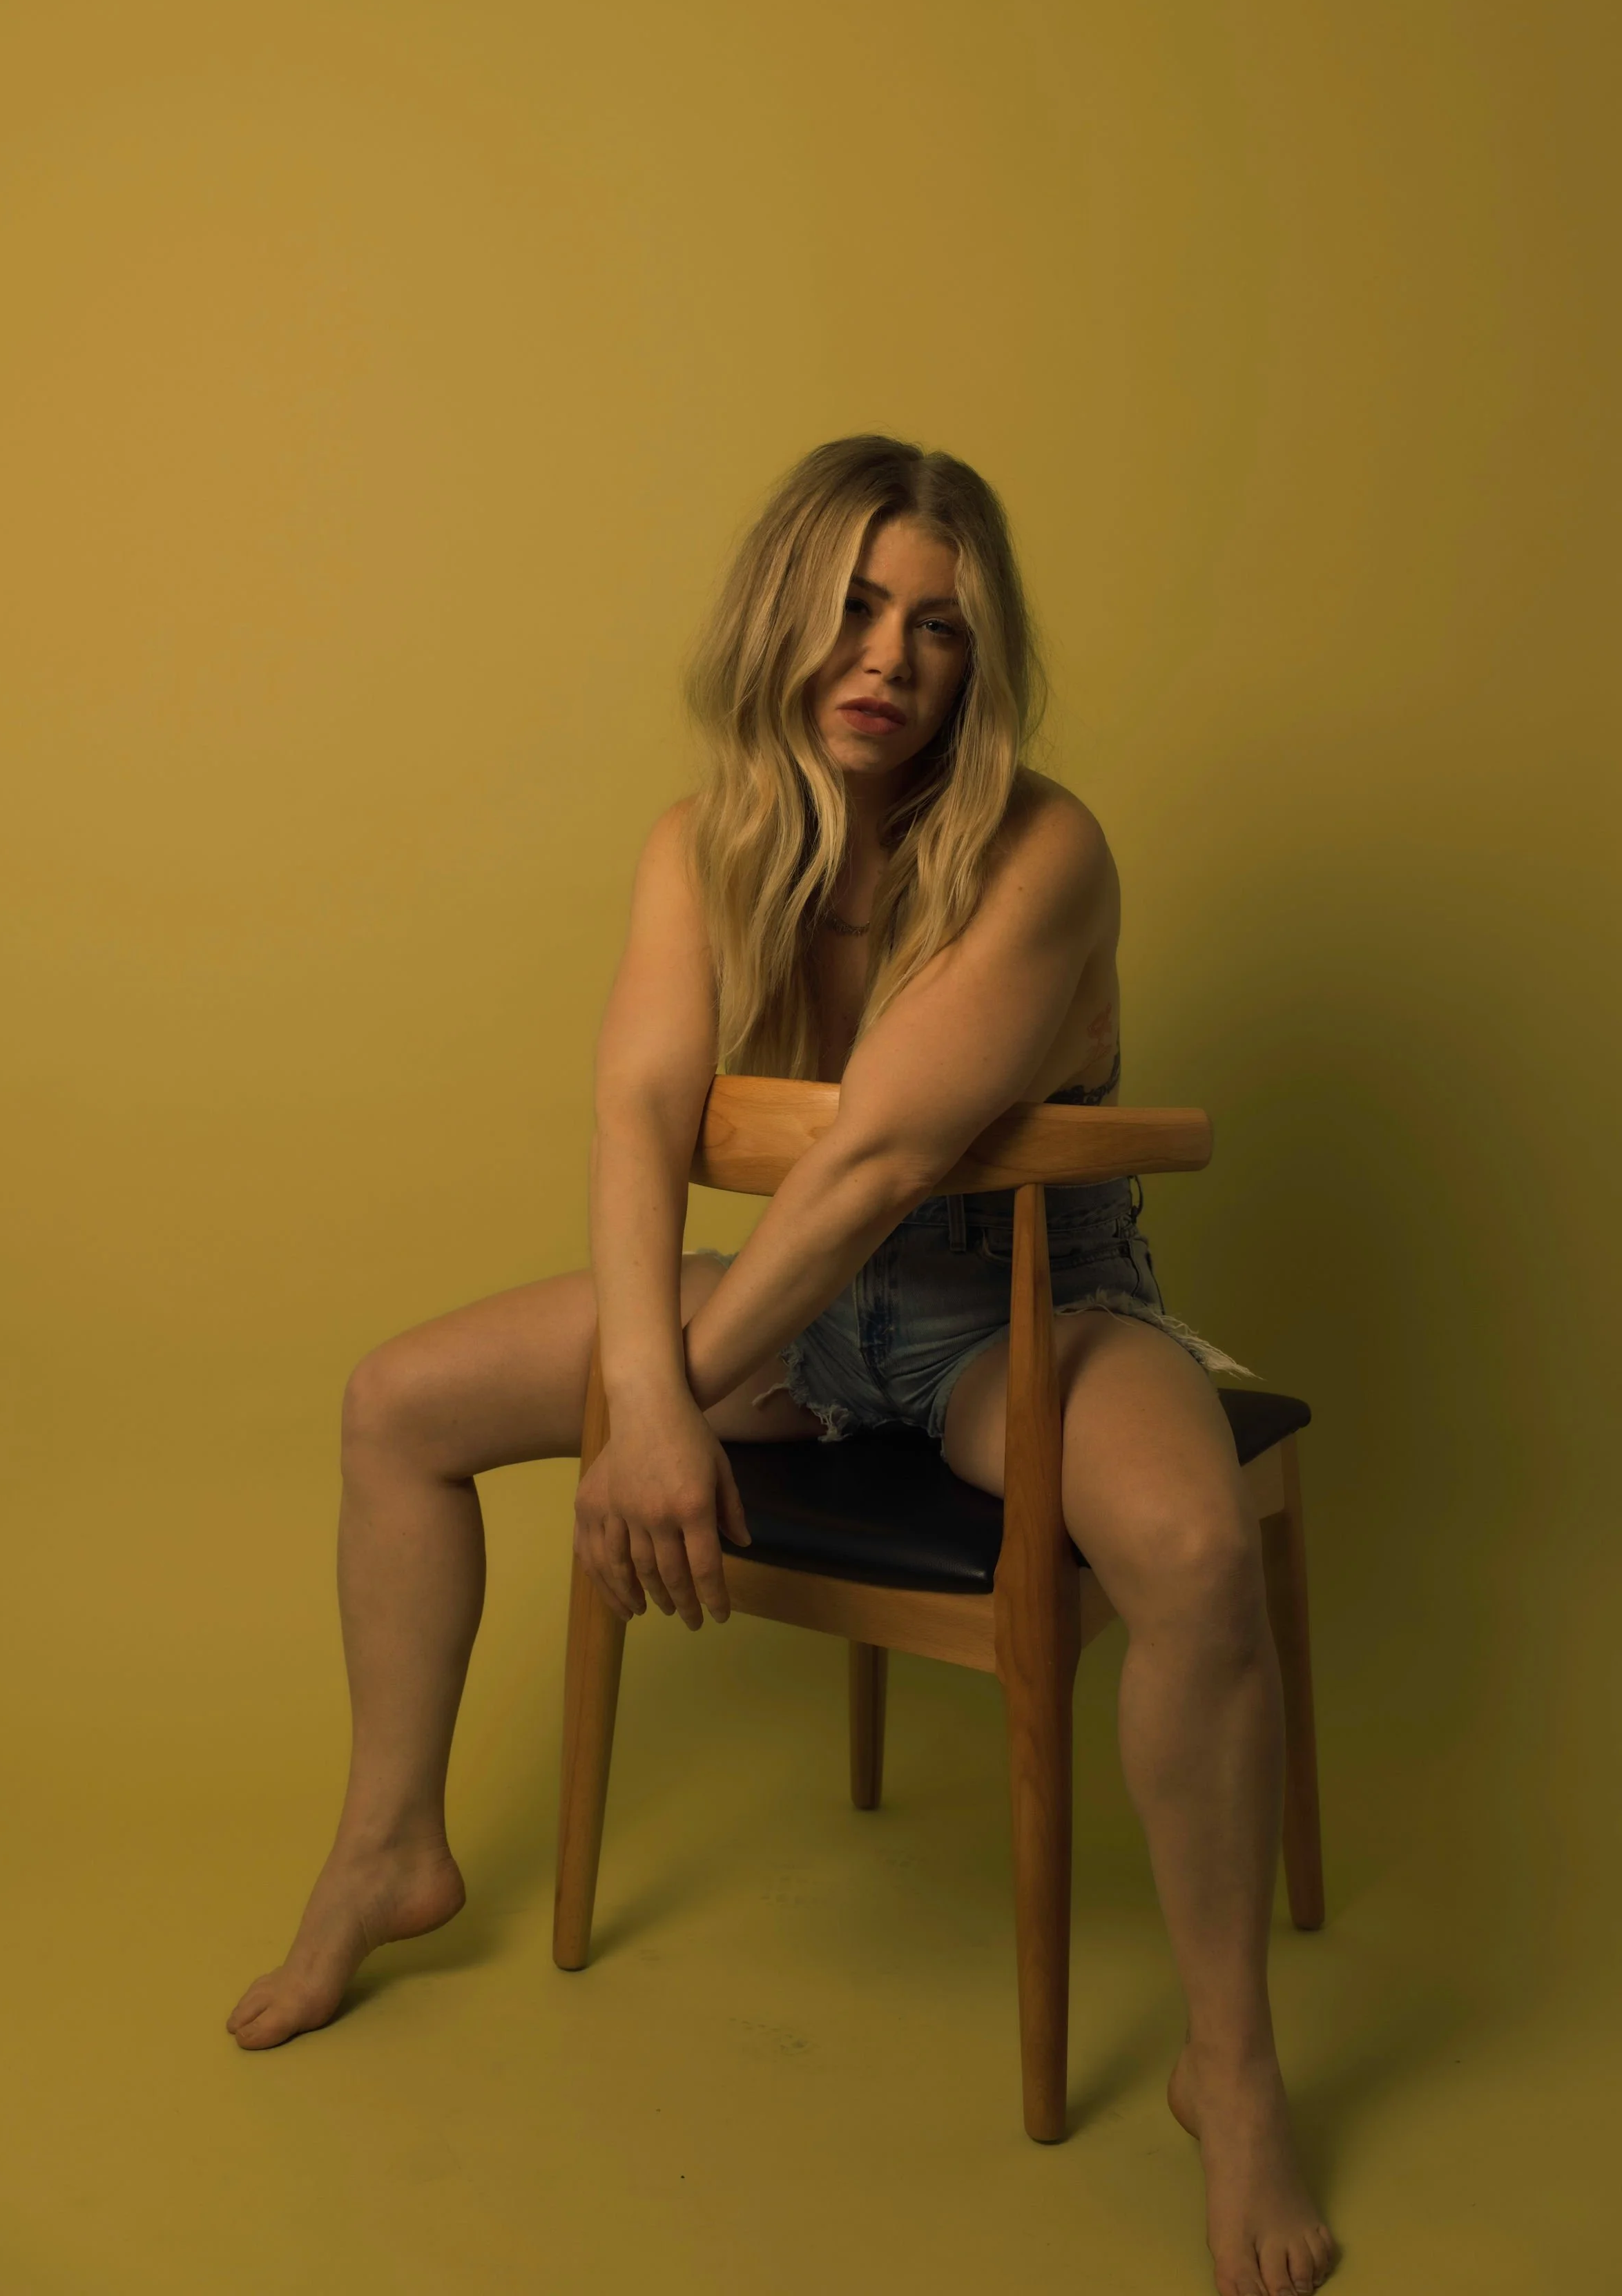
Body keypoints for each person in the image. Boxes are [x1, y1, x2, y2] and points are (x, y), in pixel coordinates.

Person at [226, 435, 1337, 2296]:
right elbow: (638, 1114)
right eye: (854, 608)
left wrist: (648, 1413)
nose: (888, 658)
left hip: (1024, 1314)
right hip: (801, 1315)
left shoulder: (1044, 849)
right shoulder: (708, 843)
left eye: (937, 629)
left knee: (1195, 1548)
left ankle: (1230, 2071)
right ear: (782, 616)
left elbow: (885, 1158)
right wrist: (648, 1406)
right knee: (394, 1406)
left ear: (977, 664)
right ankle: (389, 1849)